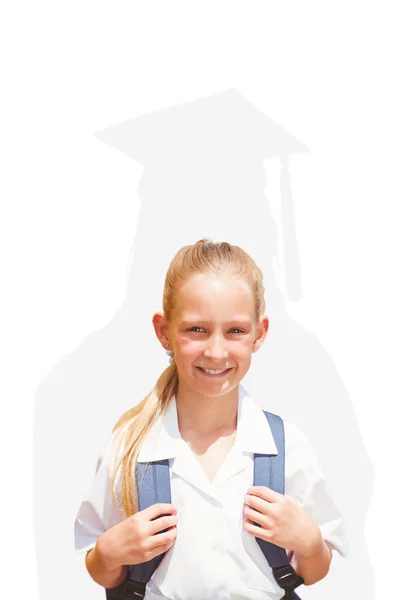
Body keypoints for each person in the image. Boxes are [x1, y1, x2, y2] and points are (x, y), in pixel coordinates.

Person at [74, 238, 347, 600]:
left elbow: (313, 572)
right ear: (163, 331)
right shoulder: (128, 449)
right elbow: (102, 571)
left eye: (235, 331)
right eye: (196, 330)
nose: (216, 351)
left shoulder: (288, 449)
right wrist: (108, 553)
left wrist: (310, 543)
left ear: (259, 334)